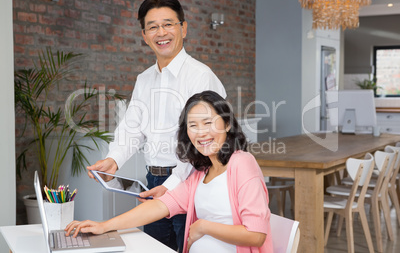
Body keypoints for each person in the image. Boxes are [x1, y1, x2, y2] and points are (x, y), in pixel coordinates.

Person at [86, 0, 226, 252]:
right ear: (144, 35)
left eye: (168, 24)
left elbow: (205, 140)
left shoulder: (201, 76)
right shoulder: (144, 79)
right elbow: (132, 127)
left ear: (183, 28)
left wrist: (170, 186)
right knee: (153, 249)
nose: (161, 32)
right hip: (153, 182)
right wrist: (113, 160)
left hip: (191, 181)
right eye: (153, 27)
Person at [66, 90, 273, 253]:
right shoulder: (200, 173)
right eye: (193, 125)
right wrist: (104, 226)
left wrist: (203, 227)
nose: (201, 132)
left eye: (208, 123)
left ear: (227, 124)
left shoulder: (242, 163)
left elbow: (256, 234)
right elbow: (159, 207)